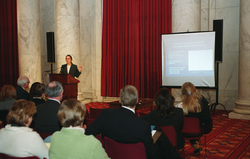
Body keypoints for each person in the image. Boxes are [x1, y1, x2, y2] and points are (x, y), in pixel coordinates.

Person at [85, 85, 154, 159]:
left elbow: (89, 132)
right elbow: (150, 153)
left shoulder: (105, 115)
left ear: (120, 100)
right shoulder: (143, 126)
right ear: (137, 101)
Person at [181, 82, 213, 154]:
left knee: (179, 125)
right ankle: (195, 143)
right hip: (205, 127)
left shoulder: (184, 105)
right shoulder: (203, 99)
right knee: (191, 126)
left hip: (190, 130)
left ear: (182, 93)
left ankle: (179, 146)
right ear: (194, 89)